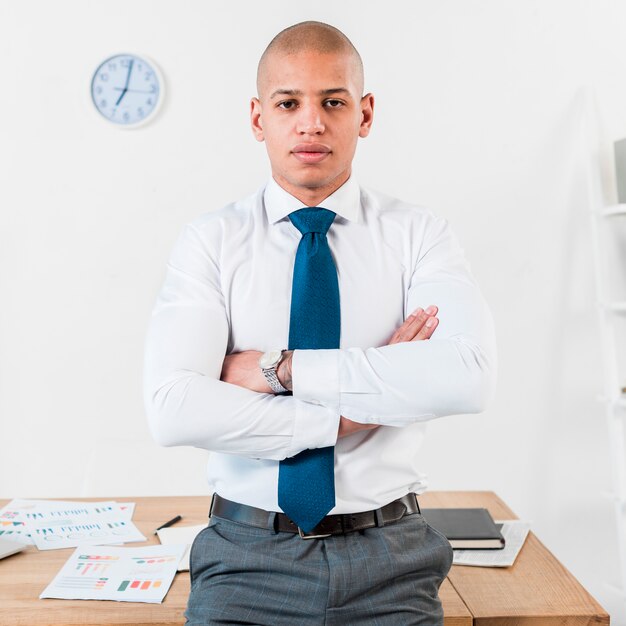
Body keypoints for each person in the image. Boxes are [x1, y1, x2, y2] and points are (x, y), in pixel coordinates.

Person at [144, 20, 496, 626]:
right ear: (259, 118)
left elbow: (466, 377)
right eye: (289, 103)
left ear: (364, 113)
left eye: (333, 101)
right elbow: (175, 408)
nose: (311, 122)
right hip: (244, 561)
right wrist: (367, 404)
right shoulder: (210, 241)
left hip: (393, 559)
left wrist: (276, 370)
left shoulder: (419, 235)